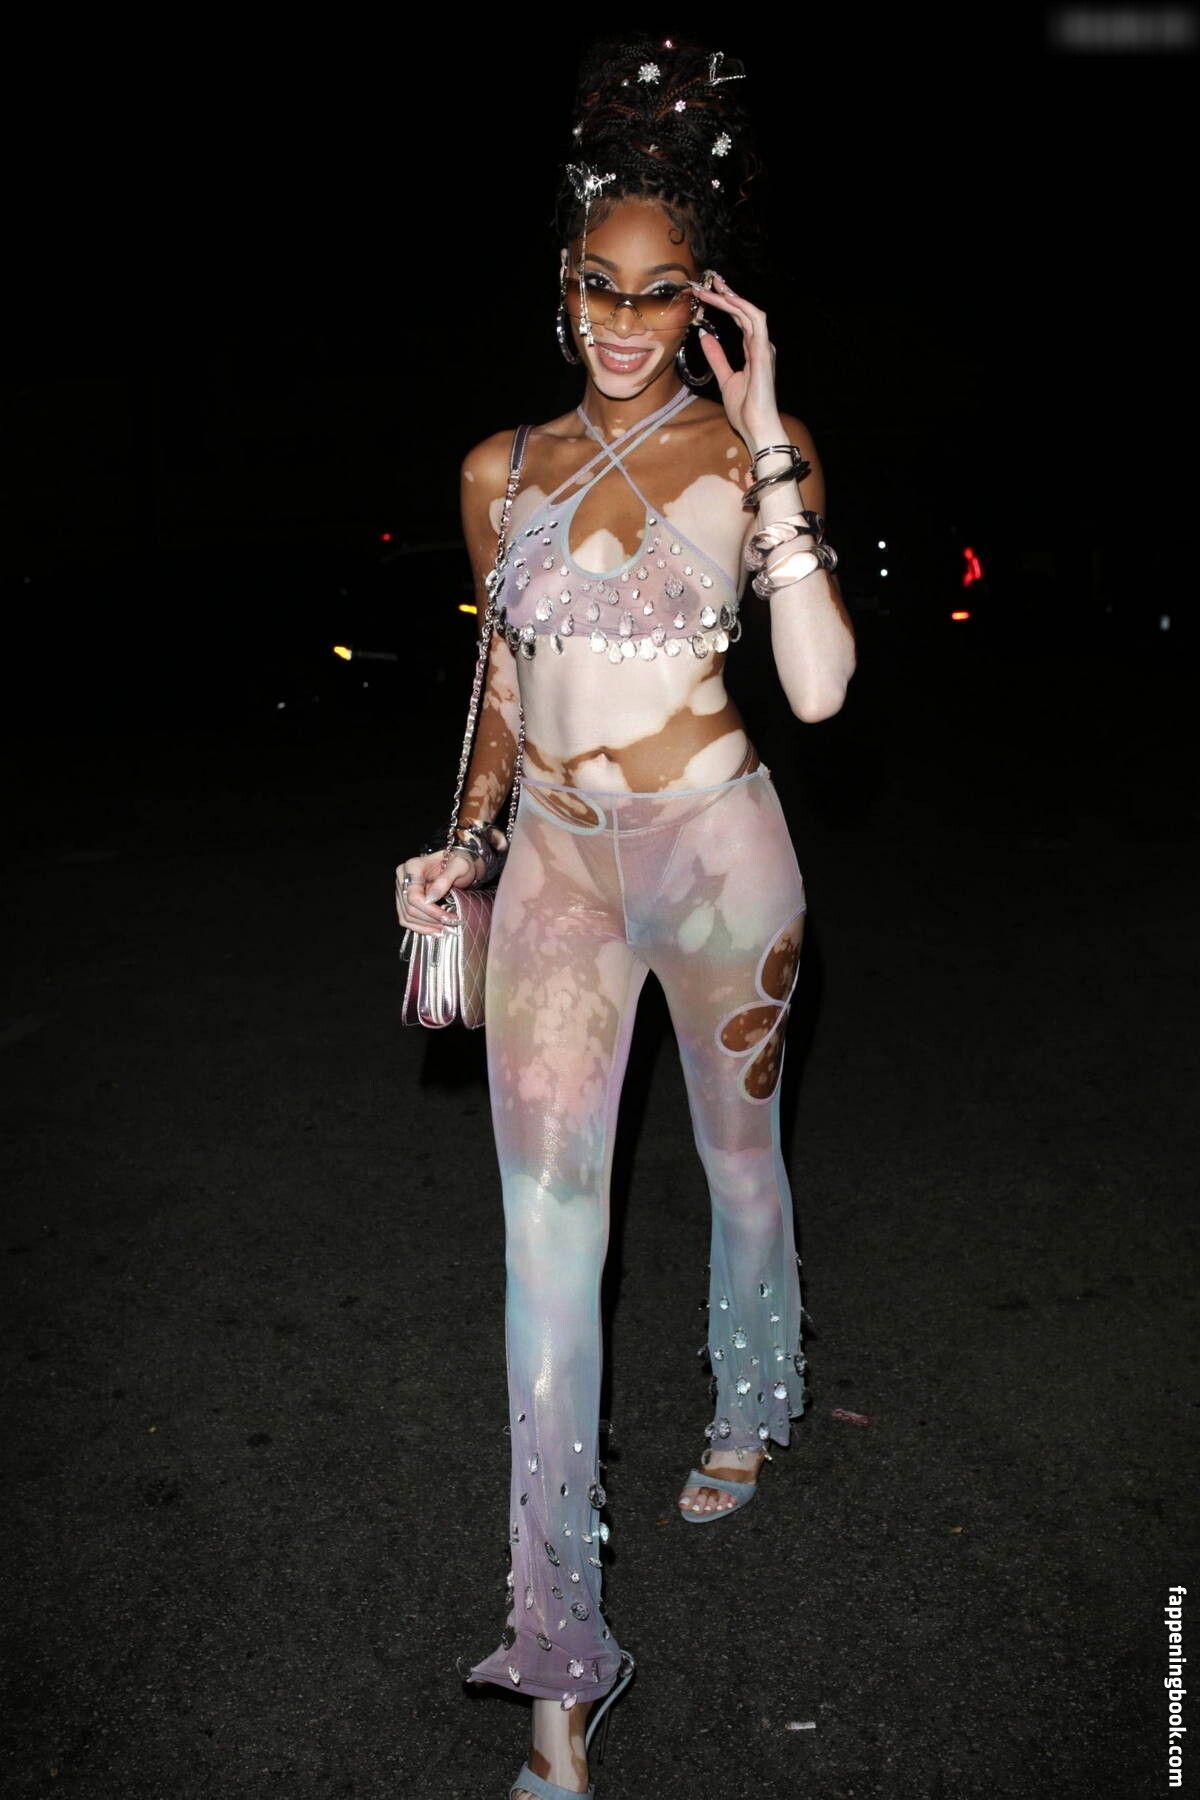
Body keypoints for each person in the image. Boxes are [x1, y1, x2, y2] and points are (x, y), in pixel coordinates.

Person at [395, 36, 856, 1800]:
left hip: (724, 855)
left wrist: (771, 434)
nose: (625, 320)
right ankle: (557, 1678)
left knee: (741, 1165)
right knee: (543, 1252)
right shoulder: (497, 469)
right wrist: (463, 843)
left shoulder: (756, 452)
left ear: (705, 302)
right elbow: (503, 697)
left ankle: (751, 1397)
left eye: (664, 294)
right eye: (603, 284)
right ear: (564, 282)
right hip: (561, 874)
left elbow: (818, 691)